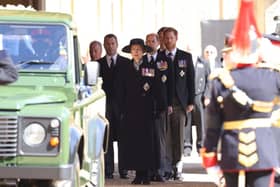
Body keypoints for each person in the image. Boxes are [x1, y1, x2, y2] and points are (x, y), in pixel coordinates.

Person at [201, 1, 280, 186]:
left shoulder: (221, 80)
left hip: (232, 150)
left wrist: (210, 160)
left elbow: (212, 126)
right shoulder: (272, 77)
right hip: (264, 151)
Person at [117, 38, 157, 185]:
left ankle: (145, 174)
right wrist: (121, 108)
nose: (136, 52)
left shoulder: (150, 66)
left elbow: (155, 88)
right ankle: (137, 174)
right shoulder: (125, 67)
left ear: (143, 51)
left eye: (139, 49)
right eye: (134, 49)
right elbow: (120, 89)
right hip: (131, 110)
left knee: (146, 143)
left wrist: (156, 107)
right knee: (134, 143)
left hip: (146, 110)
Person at [163, 27, 195, 180]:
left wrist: (191, 102)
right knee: (167, 137)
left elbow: (191, 80)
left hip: (180, 104)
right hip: (165, 105)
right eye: (166, 38)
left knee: (179, 136)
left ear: (176, 38)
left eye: (171, 38)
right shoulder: (160, 57)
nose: (168, 40)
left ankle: (178, 166)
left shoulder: (186, 57)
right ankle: (168, 168)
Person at [97, 34, 130, 179]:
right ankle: (108, 170)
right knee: (107, 139)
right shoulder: (99, 64)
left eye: (112, 43)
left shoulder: (126, 63)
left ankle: (124, 169)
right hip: (105, 107)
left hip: (122, 106)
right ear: (104, 46)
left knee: (124, 139)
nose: (110, 46)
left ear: (117, 45)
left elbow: (130, 87)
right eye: (107, 44)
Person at [144, 33, 174, 182]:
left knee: (160, 140)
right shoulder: (142, 61)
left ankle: (160, 171)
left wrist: (169, 104)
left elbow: (170, 84)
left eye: (153, 41)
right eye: (148, 41)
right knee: (148, 140)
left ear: (158, 42)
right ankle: (149, 171)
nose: (150, 43)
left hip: (161, 106)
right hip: (145, 106)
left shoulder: (165, 60)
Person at [184, 48, 211, 157]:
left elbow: (209, 80)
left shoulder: (203, 63)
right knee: (187, 122)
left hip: (199, 95)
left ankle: (201, 146)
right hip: (186, 96)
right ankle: (187, 146)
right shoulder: (183, 62)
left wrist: (207, 95)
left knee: (201, 122)